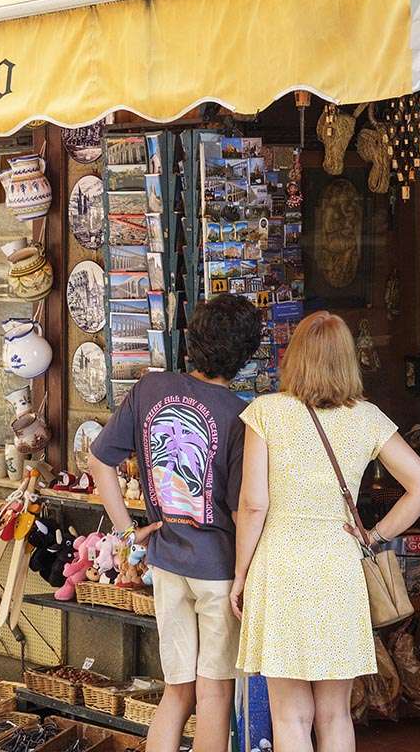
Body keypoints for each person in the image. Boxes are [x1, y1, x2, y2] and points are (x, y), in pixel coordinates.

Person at [230, 311, 420, 752]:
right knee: (335, 713)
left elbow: (253, 504)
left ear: (295, 356)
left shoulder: (266, 413)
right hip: (337, 569)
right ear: (348, 360)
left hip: (280, 566)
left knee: (290, 713)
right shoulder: (366, 419)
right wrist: (375, 536)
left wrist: (240, 574)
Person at [89, 293, 263, 752]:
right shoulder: (242, 416)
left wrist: (127, 531)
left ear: (192, 340)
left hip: (166, 562)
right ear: (245, 356)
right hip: (220, 569)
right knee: (214, 691)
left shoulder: (149, 388)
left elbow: (100, 460)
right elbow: (243, 506)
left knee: (177, 691)